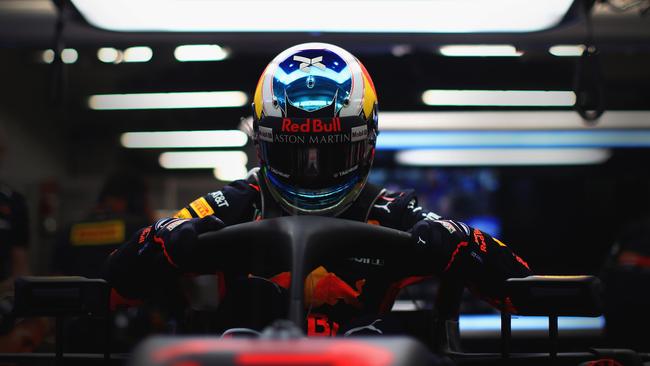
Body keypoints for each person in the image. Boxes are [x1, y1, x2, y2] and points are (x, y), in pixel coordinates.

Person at [105, 43, 531, 337]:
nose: (312, 173)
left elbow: (525, 291)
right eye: (295, 154)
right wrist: (159, 241)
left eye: (329, 155)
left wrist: (461, 242)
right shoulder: (235, 204)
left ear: (367, 143)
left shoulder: (393, 213)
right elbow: (111, 284)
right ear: (263, 145)